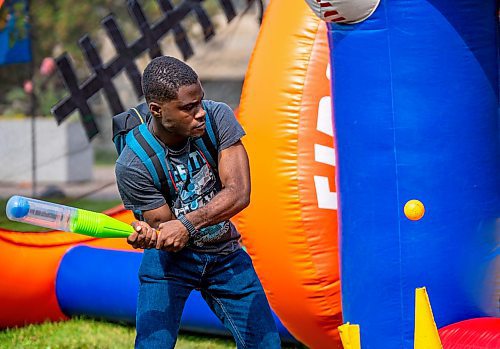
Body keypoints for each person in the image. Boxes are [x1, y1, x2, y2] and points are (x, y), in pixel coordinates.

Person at [115, 56, 281, 349]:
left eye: (200, 102)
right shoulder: (134, 163)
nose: (200, 113)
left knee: (266, 345)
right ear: (156, 110)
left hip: (225, 253)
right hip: (169, 264)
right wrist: (152, 236)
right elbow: (166, 229)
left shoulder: (218, 117)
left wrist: (187, 224)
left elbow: (239, 192)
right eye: (188, 108)